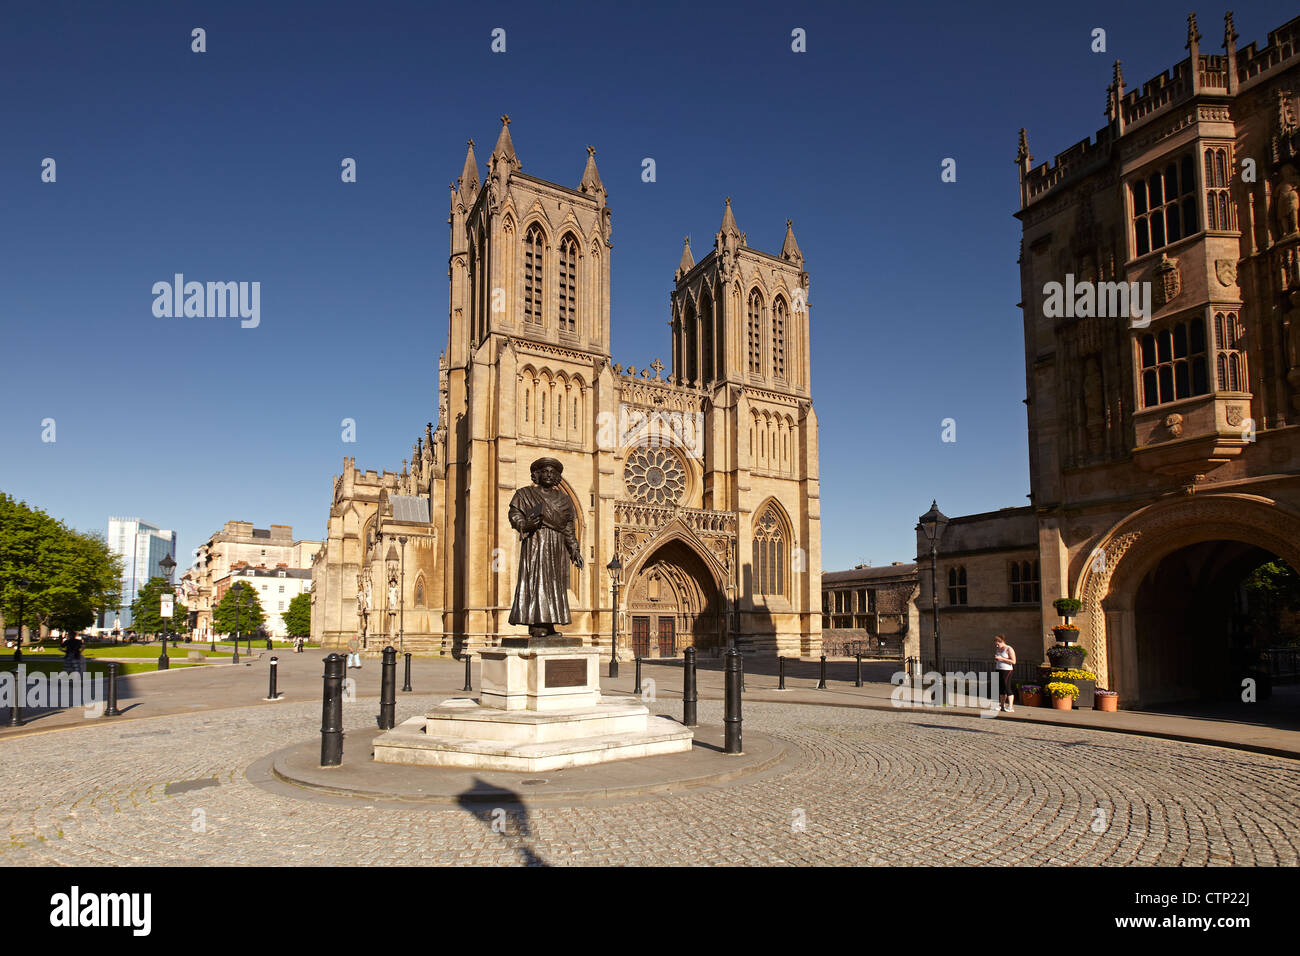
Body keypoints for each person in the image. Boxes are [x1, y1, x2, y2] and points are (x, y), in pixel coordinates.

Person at [508, 457, 584, 641]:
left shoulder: (564, 500)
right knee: (537, 581)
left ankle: (549, 623)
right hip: (537, 542)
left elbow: (568, 527)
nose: (549, 475)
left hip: (557, 546)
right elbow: (514, 514)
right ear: (537, 475)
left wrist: (574, 549)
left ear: (557, 477)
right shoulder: (524, 494)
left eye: (553, 472)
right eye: (545, 471)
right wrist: (525, 524)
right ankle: (537, 624)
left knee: (555, 584)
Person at [994, 634, 1016, 712]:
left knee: (1007, 687)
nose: (997, 646)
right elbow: (999, 658)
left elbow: (1013, 661)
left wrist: (1002, 659)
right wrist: (997, 660)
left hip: (1007, 670)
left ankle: (1010, 706)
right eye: (996, 644)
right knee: (1001, 688)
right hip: (999, 669)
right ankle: (1002, 705)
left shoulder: (1009, 649)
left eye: (997, 644)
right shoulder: (998, 650)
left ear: (1002, 641)